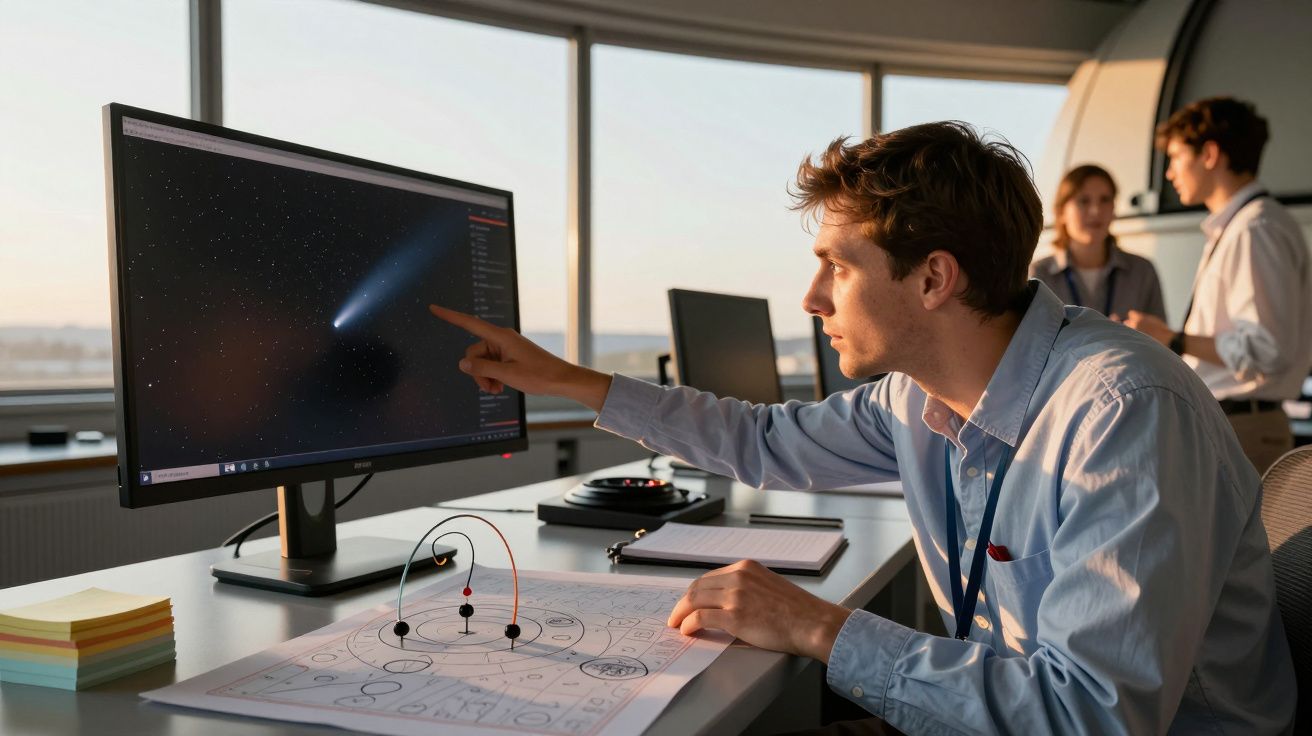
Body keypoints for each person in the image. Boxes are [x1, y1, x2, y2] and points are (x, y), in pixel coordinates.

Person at [430, 121, 1295, 734]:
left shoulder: (1122, 415)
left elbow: (1088, 718)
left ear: (933, 280)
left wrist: (819, 627)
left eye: (836, 269)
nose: (811, 301)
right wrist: (564, 380)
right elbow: (765, 442)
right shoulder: (918, 398)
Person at [1123, 96, 1312, 475]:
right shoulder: (1246, 226)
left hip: (1243, 427)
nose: (1171, 173)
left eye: (1176, 158)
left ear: (1209, 154)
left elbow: (1264, 350)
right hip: (1237, 424)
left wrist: (1170, 338)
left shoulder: (1255, 229)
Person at [1030, 165, 1166, 320]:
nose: (1095, 210)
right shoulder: (1038, 276)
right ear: (1061, 212)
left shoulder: (1142, 272)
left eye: (1105, 200)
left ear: (1114, 208)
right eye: (1084, 201)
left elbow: (1161, 339)